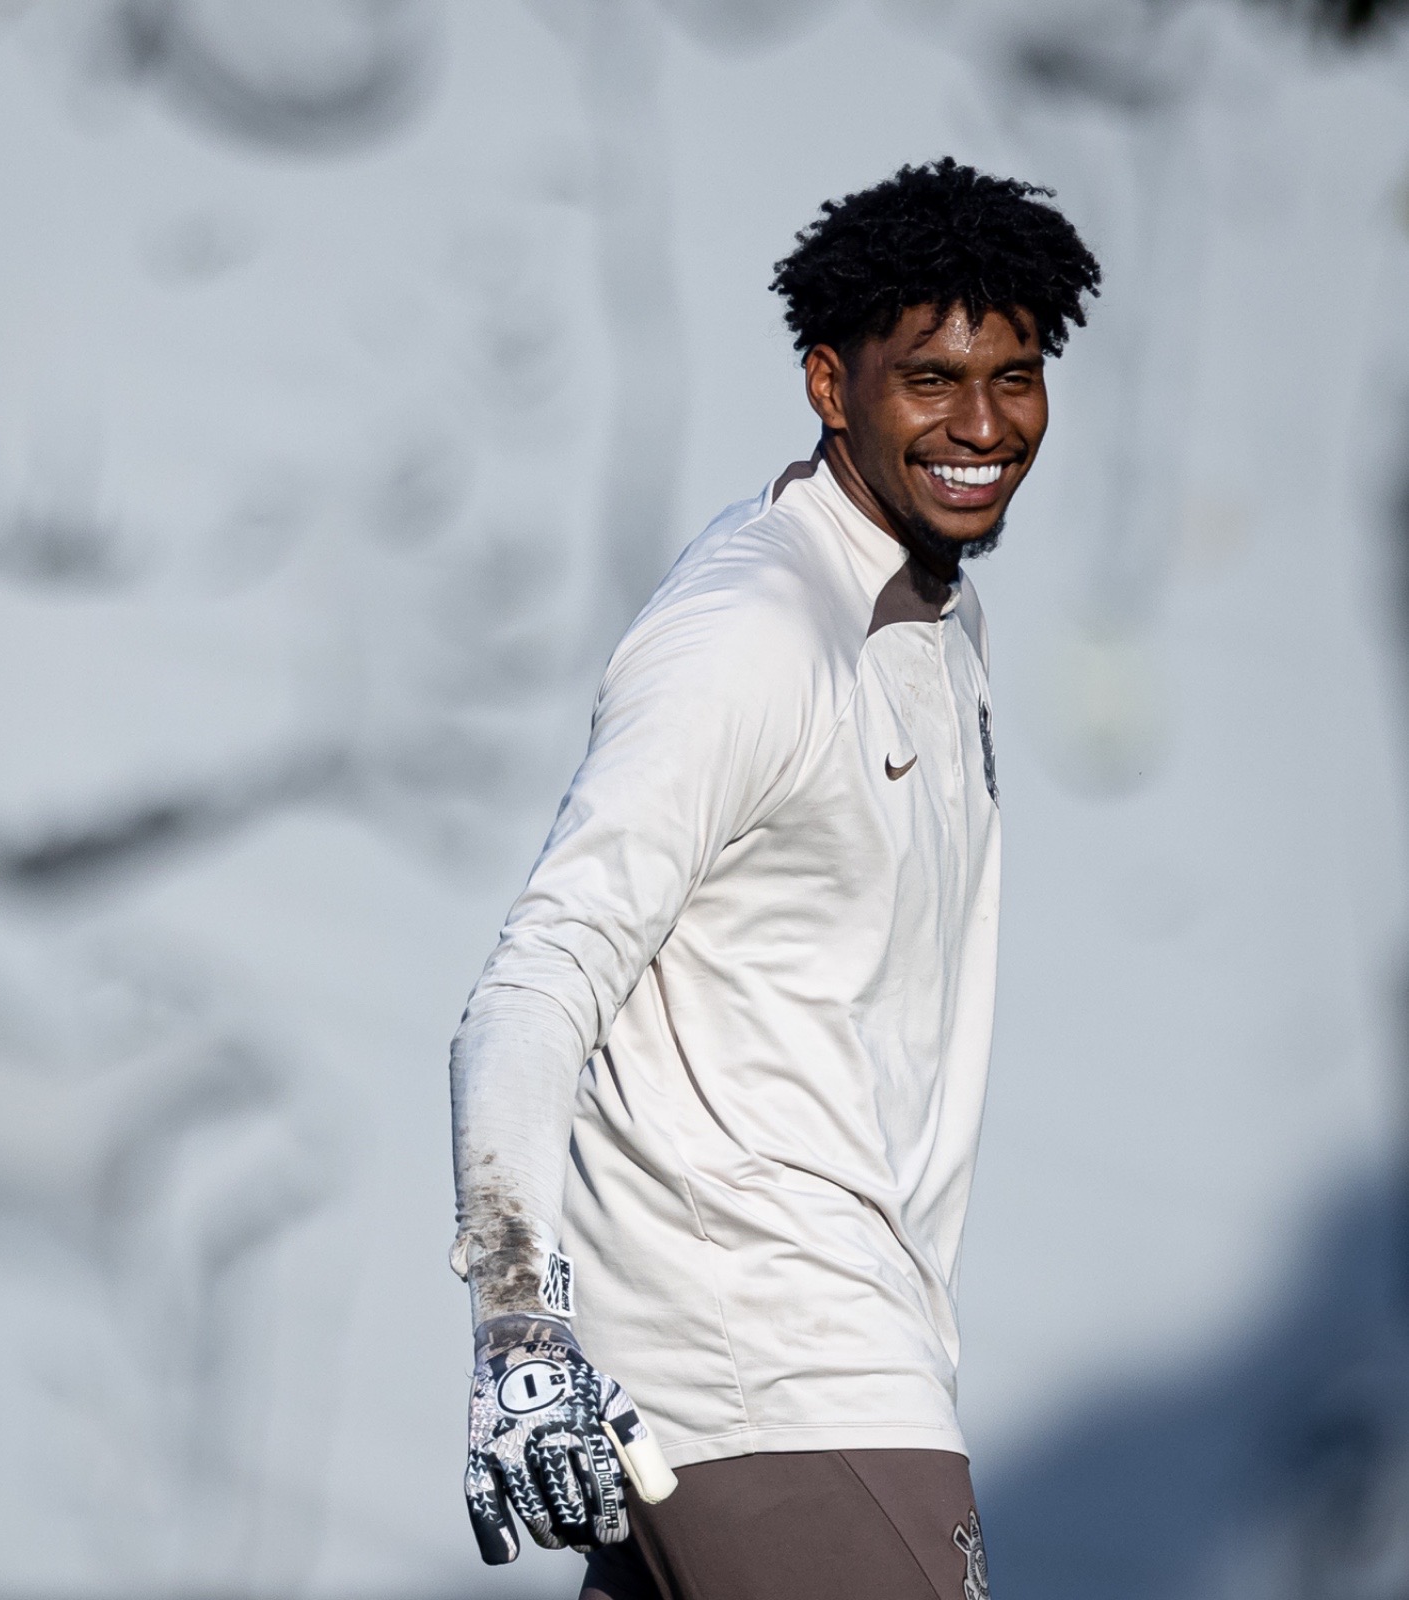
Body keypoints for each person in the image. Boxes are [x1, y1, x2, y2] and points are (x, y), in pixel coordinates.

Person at [449, 156, 1101, 1600]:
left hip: (785, 1364)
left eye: (1015, 375)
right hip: (775, 1365)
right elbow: (537, 976)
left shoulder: (937, 611)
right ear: (828, 385)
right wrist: (516, 1326)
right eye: (930, 378)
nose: (982, 424)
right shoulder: (748, 627)